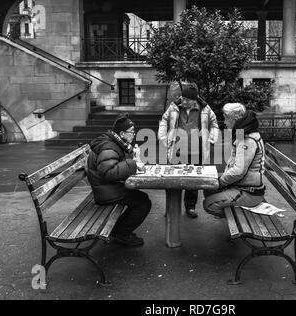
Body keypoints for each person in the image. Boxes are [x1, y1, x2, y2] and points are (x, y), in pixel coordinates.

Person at [86, 113, 151, 247]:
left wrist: (132, 160)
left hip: (106, 187)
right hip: (105, 192)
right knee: (143, 202)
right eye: (131, 132)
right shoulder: (109, 147)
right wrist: (133, 165)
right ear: (121, 133)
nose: (134, 135)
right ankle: (121, 234)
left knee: (139, 197)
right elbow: (108, 172)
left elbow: (115, 165)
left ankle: (119, 230)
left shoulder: (114, 143)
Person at [158, 83, 219, 218]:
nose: (184, 101)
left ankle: (190, 207)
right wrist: (162, 137)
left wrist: (212, 139)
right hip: (177, 148)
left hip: (196, 150)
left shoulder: (205, 109)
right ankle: (170, 208)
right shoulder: (174, 107)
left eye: (187, 100)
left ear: (194, 99)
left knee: (193, 180)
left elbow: (214, 123)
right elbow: (164, 119)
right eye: (183, 98)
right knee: (172, 180)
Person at [203, 103, 266, 218]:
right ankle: (232, 211)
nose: (225, 122)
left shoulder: (247, 139)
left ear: (235, 119)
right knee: (208, 190)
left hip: (249, 193)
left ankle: (237, 218)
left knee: (208, 204)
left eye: (226, 118)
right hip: (243, 187)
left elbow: (238, 171)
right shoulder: (244, 134)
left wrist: (220, 182)